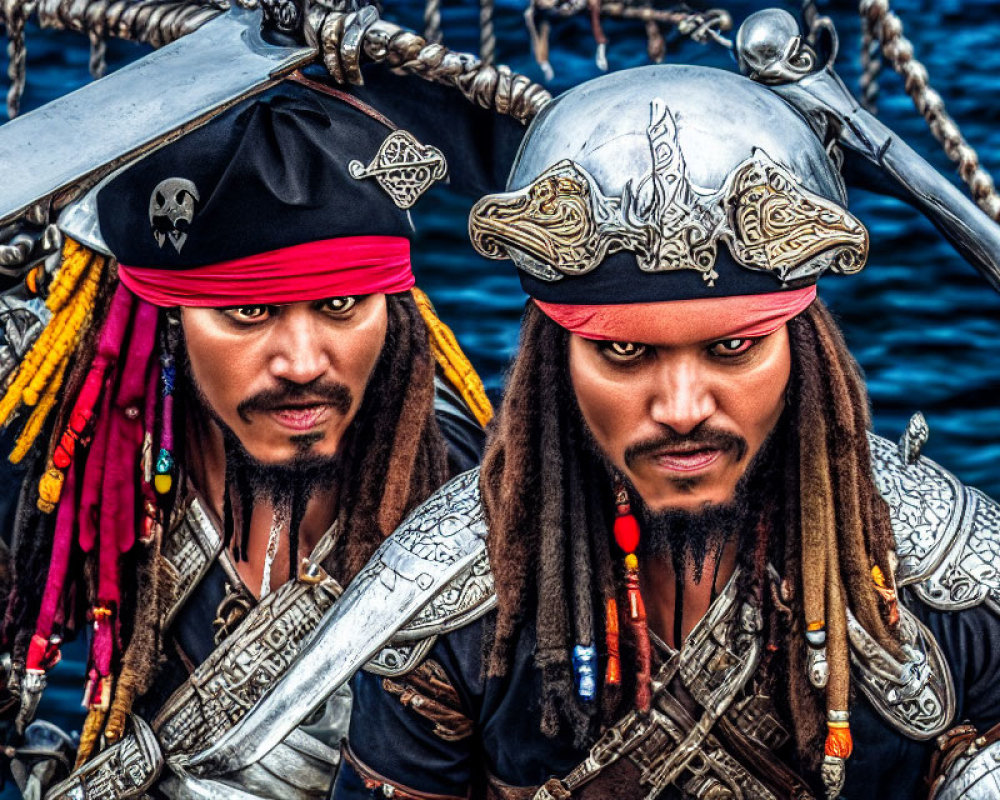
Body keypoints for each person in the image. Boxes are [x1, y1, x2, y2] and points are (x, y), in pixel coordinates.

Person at [331, 61, 1000, 800]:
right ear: (554, 364)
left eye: (733, 348)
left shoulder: (955, 581)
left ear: (803, 352)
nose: (682, 407)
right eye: (625, 351)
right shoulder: (445, 599)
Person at [0, 72, 509, 798]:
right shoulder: (86, 462)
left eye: (340, 304)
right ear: (169, 324)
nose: (301, 362)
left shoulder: (490, 531)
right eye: (249, 312)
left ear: (394, 317)